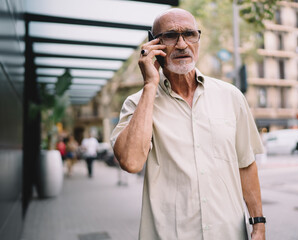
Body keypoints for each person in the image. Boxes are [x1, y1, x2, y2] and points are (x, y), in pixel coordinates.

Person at [111, 8, 265, 239]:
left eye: (190, 34)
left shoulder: (231, 96)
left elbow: (246, 164)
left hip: (229, 233)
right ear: (153, 44)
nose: (182, 44)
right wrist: (150, 85)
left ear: (198, 39)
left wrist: (259, 224)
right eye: (171, 36)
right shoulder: (137, 104)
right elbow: (131, 162)